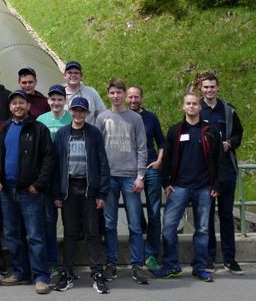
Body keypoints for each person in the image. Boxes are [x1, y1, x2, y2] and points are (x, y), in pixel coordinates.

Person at [152, 92, 228, 283]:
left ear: (199, 107)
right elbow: (166, 160)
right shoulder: (175, 130)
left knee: (202, 230)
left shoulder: (210, 131)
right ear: (183, 107)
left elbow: (220, 160)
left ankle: (199, 267)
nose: (192, 106)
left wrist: (218, 185)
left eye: (195, 103)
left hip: (204, 188)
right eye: (188, 103)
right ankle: (171, 265)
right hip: (179, 187)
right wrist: (166, 183)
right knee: (168, 227)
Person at [0, 90, 55, 295]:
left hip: (30, 192)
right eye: (14, 103)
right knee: (12, 234)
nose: (18, 106)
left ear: (28, 106)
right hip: (8, 191)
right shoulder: (4, 127)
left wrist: (38, 185)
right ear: (10, 107)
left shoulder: (39, 129)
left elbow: (49, 159)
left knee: (35, 236)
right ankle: (20, 272)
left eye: (21, 102)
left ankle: (41, 276)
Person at [53, 97, 110, 294]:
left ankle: (96, 272)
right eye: (75, 111)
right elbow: (56, 165)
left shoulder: (93, 133)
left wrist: (102, 192)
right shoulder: (62, 134)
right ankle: (67, 272)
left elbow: (103, 163)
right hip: (69, 188)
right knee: (69, 232)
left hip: (89, 189)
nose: (78, 114)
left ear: (87, 113)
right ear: (71, 111)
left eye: (82, 111)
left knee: (92, 231)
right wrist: (57, 193)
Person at [95, 78, 150, 284]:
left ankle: (137, 265)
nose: (116, 96)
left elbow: (142, 147)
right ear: (108, 95)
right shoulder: (102, 118)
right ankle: (111, 263)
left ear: (125, 95)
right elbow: (97, 150)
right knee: (110, 224)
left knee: (135, 223)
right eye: (112, 93)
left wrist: (140, 176)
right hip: (109, 178)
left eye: (119, 92)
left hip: (130, 177)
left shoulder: (135, 118)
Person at [199, 71, 244, 274]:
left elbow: (238, 133)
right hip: (205, 172)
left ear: (218, 88)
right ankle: (208, 258)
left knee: (226, 214)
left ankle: (229, 258)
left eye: (212, 86)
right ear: (201, 89)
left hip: (227, 171)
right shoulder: (195, 109)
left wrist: (230, 143)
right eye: (206, 87)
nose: (209, 90)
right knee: (206, 216)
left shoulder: (228, 111)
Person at [126, 85, 165, 272]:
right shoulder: (122, 117)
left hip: (150, 169)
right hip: (130, 171)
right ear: (126, 98)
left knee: (155, 213)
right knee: (134, 214)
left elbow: (162, 142)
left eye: (136, 97)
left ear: (141, 98)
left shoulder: (151, 117)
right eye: (130, 97)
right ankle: (137, 254)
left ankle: (151, 255)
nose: (133, 100)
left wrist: (159, 161)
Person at [37, 85, 72, 275]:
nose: (56, 103)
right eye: (53, 99)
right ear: (48, 101)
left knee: (71, 222)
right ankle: (52, 261)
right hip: (49, 177)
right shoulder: (41, 120)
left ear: (64, 101)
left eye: (60, 99)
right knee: (49, 222)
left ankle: (69, 262)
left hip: (69, 176)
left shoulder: (71, 117)